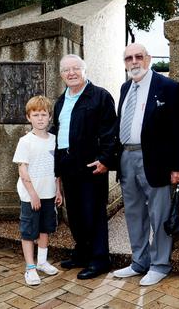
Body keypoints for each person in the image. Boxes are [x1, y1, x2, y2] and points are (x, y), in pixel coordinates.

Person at [112, 43, 179, 286]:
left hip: (156, 160)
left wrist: (178, 167)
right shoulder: (125, 88)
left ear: (148, 59)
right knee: (134, 213)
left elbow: (178, 131)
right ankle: (139, 261)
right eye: (128, 58)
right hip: (126, 157)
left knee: (159, 213)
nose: (133, 62)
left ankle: (160, 265)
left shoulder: (168, 88)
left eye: (138, 57)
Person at [50, 54, 118, 280]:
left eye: (75, 68)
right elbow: (58, 132)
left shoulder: (100, 96)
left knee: (93, 214)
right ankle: (82, 253)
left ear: (84, 70)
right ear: (61, 74)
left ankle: (100, 259)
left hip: (91, 165)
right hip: (68, 165)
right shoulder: (61, 101)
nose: (71, 73)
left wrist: (106, 159)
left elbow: (111, 131)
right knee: (76, 214)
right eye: (66, 70)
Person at [13, 95, 63, 286]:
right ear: (28, 117)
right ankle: (30, 267)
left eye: (44, 114)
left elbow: (57, 170)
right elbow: (22, 168)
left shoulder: (54, 140)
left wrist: (58, 191)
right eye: (36, 114)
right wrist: (33, 194)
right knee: (28, 231)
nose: (40, 118)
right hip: (30, 196)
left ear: (50, 117)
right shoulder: (25, 141)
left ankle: (42, 261)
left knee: (45, 229)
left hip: (49, 193)